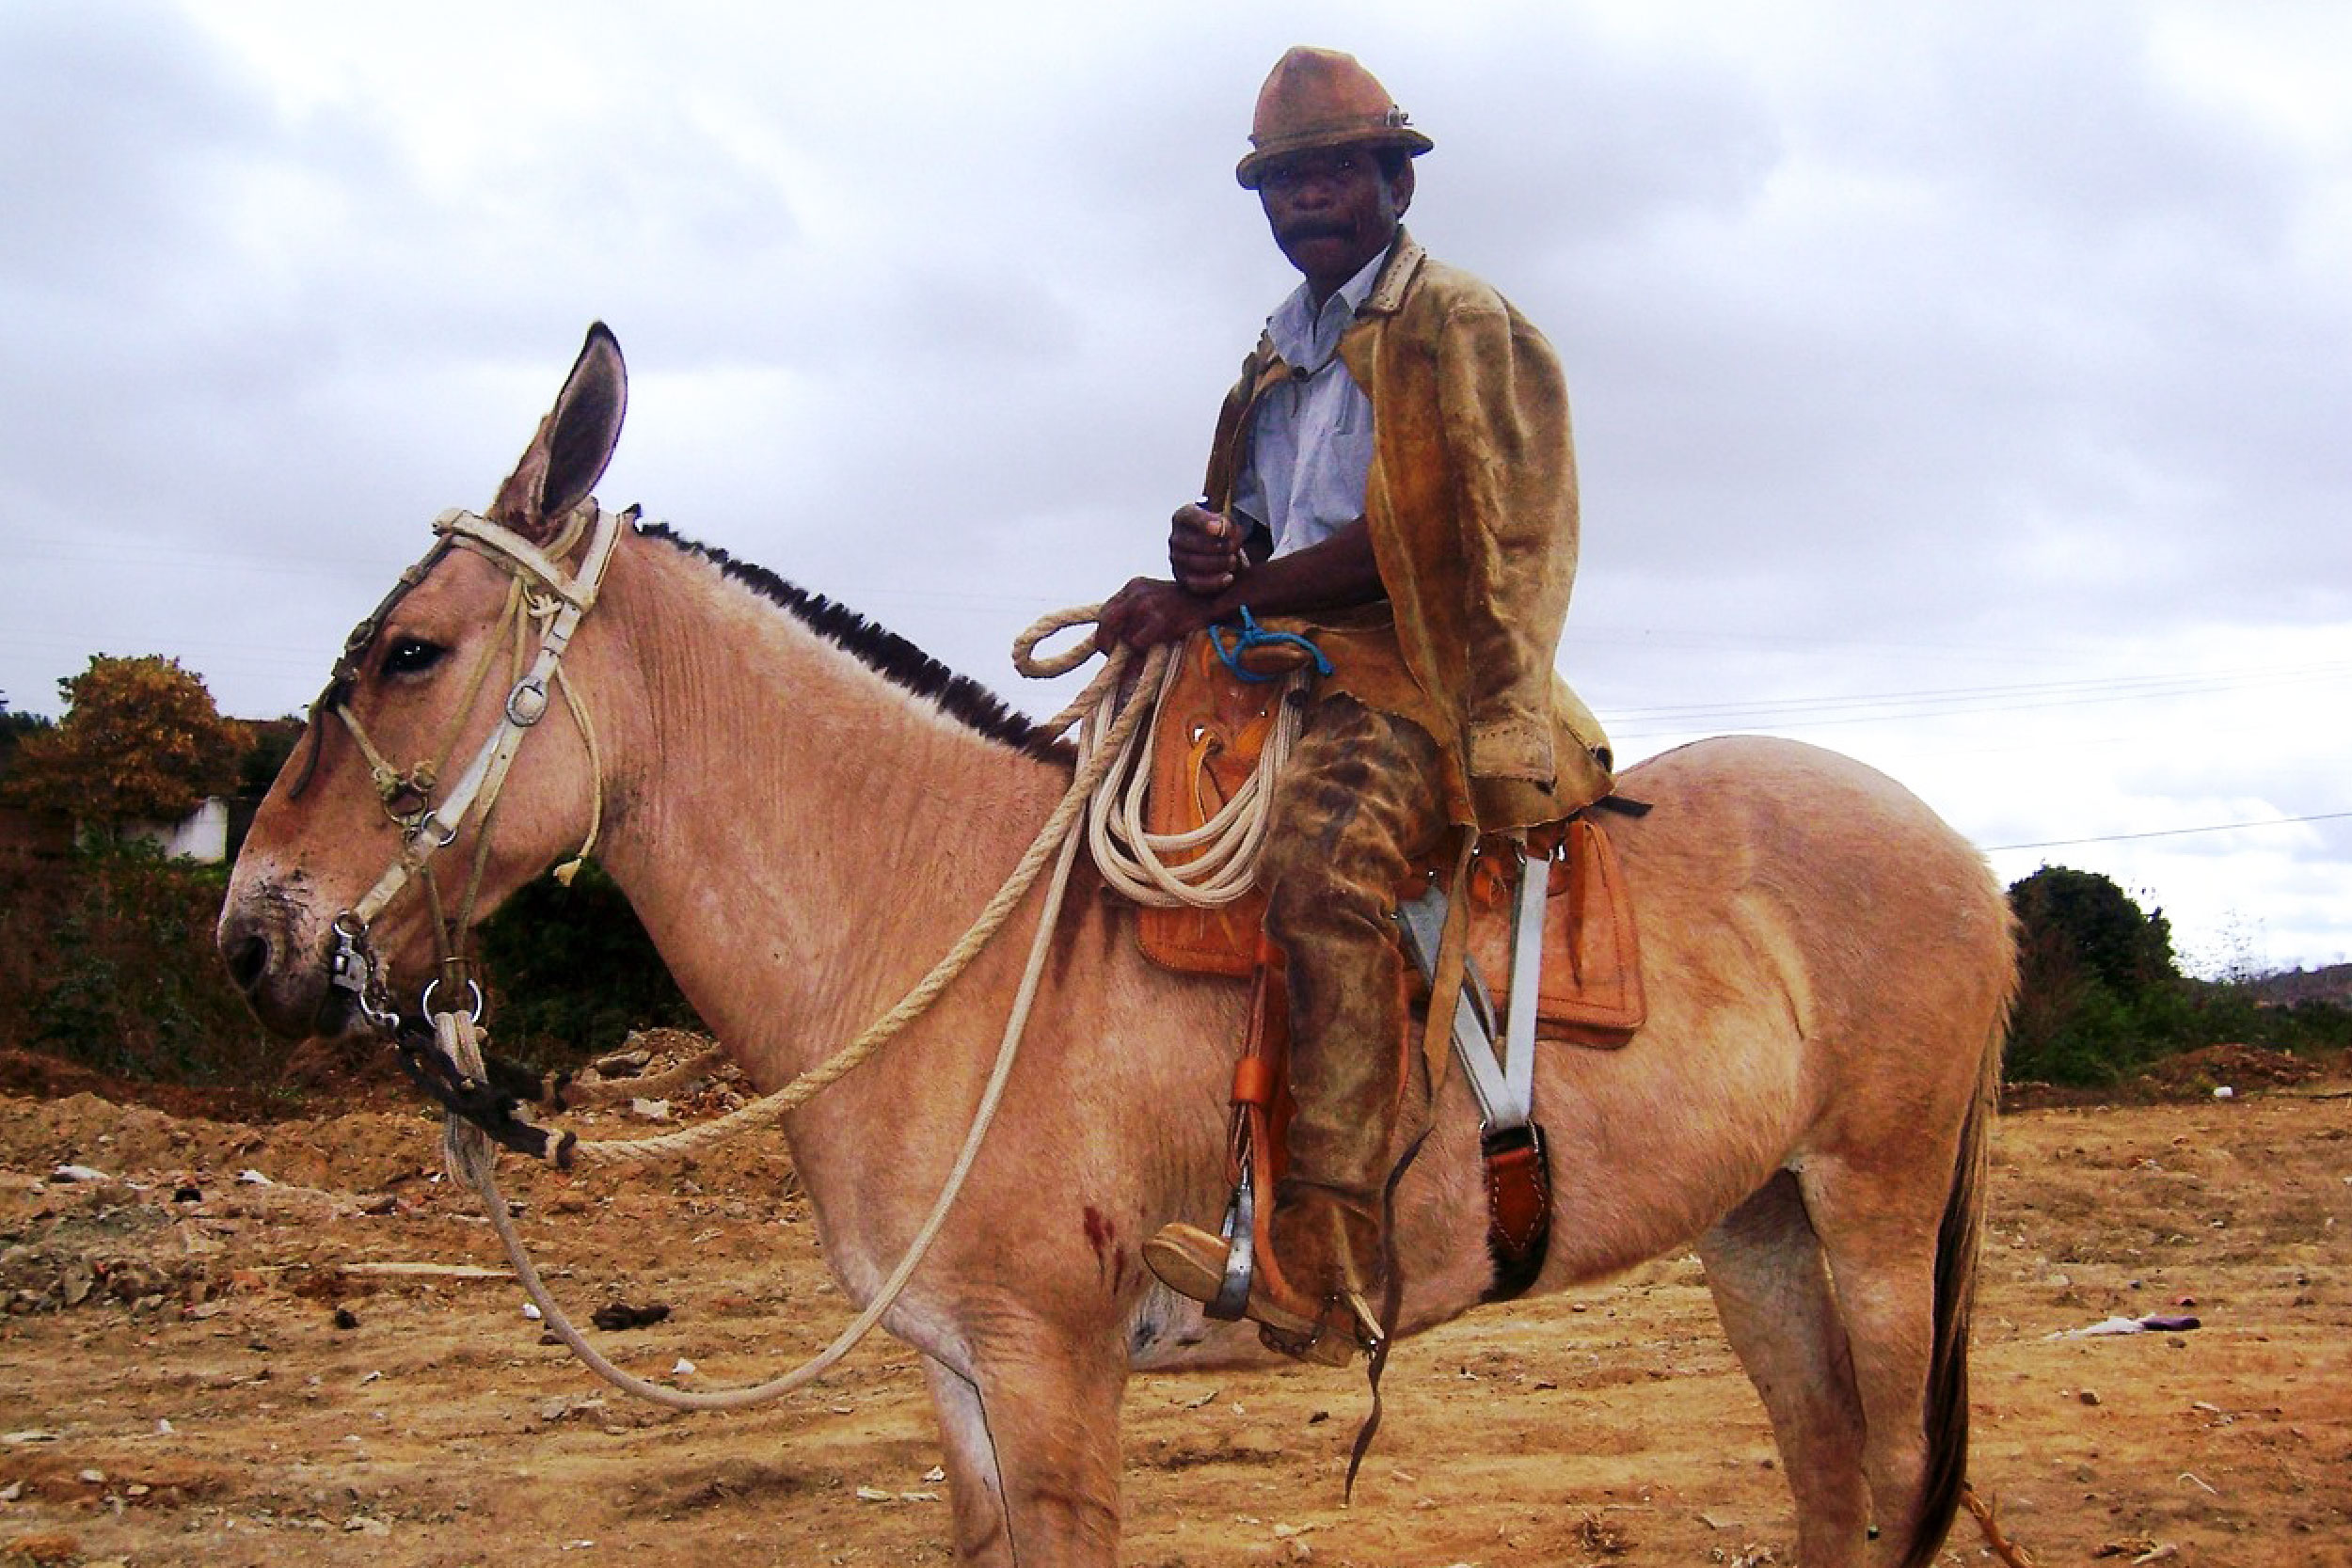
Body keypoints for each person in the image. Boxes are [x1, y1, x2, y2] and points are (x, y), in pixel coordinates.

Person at [1099, 46, 1613, 1361]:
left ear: (1396, 182)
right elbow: (1259, 535)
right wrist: (1209, 554)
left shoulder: (1462, 324)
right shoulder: (1276, 355)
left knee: (1326, 878)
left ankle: (1329, 1253)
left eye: (1334, 170)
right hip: (1287, 659)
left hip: (1418, 672)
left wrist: (1237, 590)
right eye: (1284, 181)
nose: (1306, 198)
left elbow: (1445, 541)